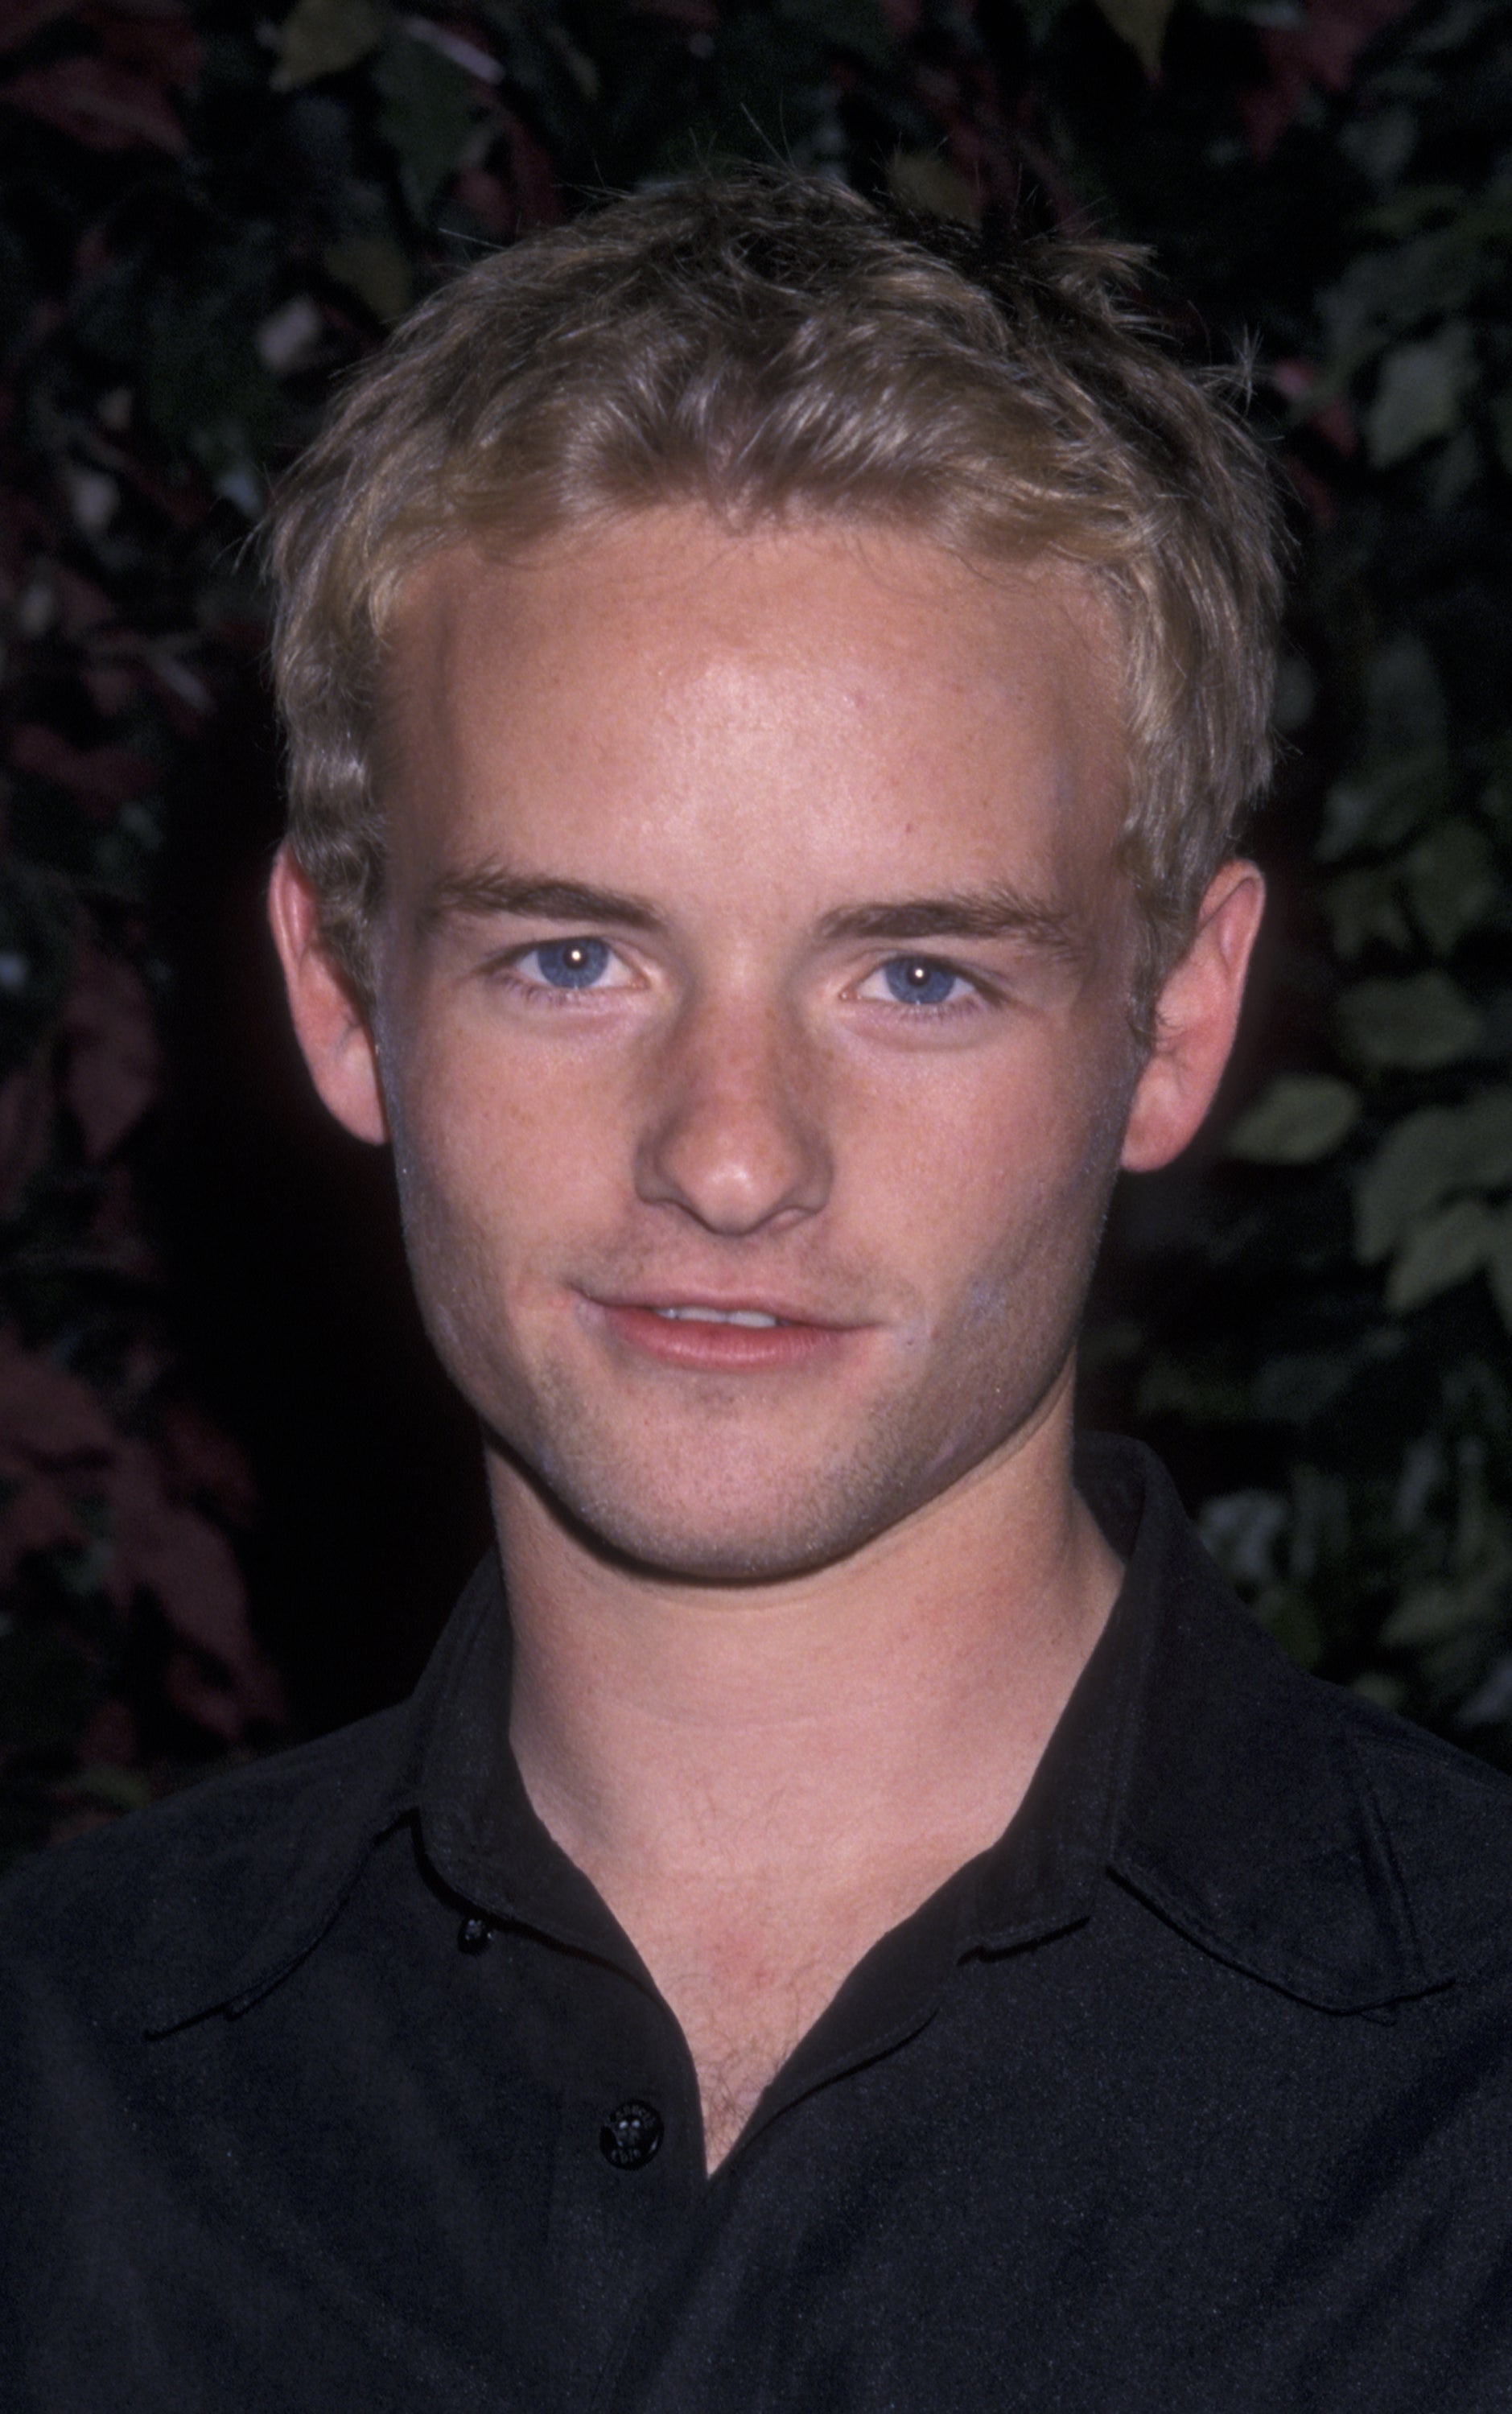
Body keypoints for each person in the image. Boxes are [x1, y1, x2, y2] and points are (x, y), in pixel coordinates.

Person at [3, 170, 1511, 2414]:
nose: (728, 1158)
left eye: (918, 976)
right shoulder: (54, 2097)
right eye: (571, 958)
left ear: (1175, 1024)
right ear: (340, 991)